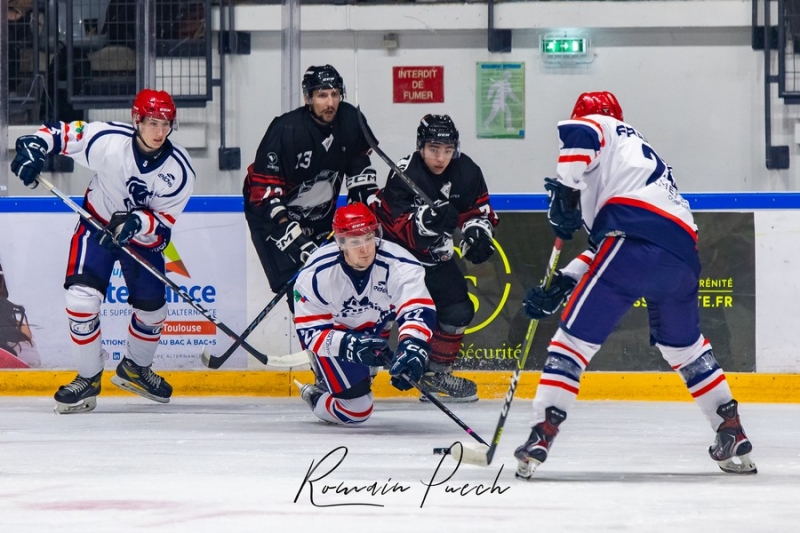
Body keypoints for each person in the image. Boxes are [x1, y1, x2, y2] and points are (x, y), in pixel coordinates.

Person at [514, 91, 756, 478]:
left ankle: (543, 432)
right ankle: (730, 428)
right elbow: (603, 250)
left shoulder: (600, 127)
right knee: (685, 349)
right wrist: (562, 282)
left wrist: (564, 190)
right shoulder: (637, 164)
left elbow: (581, 135)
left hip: (631, 243)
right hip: (680, 257)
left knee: (572, 343)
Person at [10, 88, 196, 414]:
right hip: (96, 224)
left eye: (166, 124)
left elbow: (164, 221)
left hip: (141, 240)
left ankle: (136, 368)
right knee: (80, 299)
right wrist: (34, 145)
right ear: (136, 119)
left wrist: (136, 224)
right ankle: (88, 378)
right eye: (152, 122)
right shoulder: (109, 140)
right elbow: (61, 134)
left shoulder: (179, 169)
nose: (159, 131)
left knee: (152, 311)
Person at [373, 114, 499, 403]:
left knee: (457, 309)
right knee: (379, 310)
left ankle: (435, 376)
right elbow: (397, 226)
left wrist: (478, 233)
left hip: (434, 259)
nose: (441, 157)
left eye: (447, 149)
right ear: (420, 147)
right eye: (433, 149)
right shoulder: (404, 173)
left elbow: (477, 211)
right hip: (396, 261)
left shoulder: (466, 170)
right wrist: (426, 222)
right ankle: (362, 373)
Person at [243, 64, 380, 313]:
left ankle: (337, 346)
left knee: (340, 283)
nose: (330, 102)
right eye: (322, 95)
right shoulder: (286, 129)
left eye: (335, 94)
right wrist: (289, 232)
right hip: (271, 219)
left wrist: (364, 208)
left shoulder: (351, 121)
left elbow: (359, 170)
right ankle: (316, 347)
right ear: (308, 98)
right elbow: (264, 191)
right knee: (299, 287)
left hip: (321, 218)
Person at [292, 202, 436, 425]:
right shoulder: (317, 274)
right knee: (356, 411)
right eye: (355, 241)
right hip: (336, 332)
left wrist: (413, 346)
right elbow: (309, 332)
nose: (365, 248)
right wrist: (349, 345)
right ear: (340, 242)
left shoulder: (400, 264)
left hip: (374, 326)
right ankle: (314, 393)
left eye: (369, 238)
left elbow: (416, 308)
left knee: (389, 352)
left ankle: (357, 371)